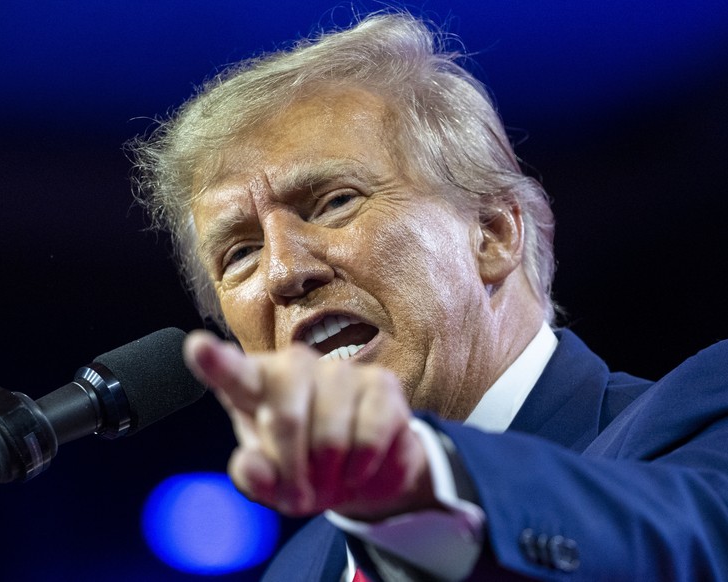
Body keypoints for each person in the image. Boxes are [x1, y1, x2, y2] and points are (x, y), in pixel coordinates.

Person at [127, 11, 728, 581]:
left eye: (336, 201)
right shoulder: (300, 566)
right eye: (240, 253)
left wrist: (427, 484)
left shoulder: (698, 417)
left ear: (492, 233)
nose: (284, 271)